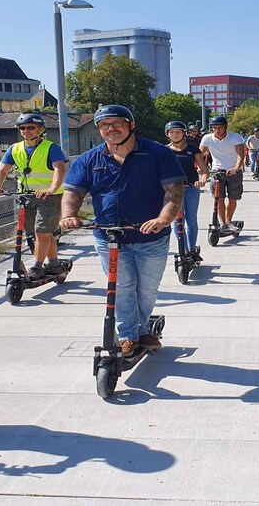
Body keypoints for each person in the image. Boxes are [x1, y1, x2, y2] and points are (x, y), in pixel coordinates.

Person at [60, 105, 186, 357]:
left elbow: (174, 190)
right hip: (109, 236)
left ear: (131, 125)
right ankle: (130, 336)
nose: (110, 129)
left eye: (117, 123)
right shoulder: (89, 159)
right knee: (122, 287)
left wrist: (163, 218)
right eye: (104, 125)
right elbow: (73, 191)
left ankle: (139, 328)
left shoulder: (158, 154)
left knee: (147, 289)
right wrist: (68, 215)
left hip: (151, 236)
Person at [0, 113, 68, 278]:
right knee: (38, 233)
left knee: (42, 233)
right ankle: (54, 265)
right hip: (25, 197)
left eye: (31, 127)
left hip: (48, 197)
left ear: (40, 129)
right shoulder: (15, 148)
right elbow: (2, 171)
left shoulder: (50, 147)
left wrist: (52, 189)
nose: (26, 131)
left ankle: (37, 267)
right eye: (23, 128)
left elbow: (59, 169)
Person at [165, 120, 208, 260]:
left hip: (191, 187)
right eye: (172, 132)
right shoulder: (164, 150)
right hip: (173, 190)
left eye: (178, 132)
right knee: (177, 221)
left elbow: (203, 169)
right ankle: (182, 247)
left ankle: (191, 249)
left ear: (184, 133)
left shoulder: (193, 149)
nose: (175, 135)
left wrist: (202, 180)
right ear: (167, 134)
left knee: (191, 219)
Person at [199, 115, 245, 232]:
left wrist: (236, 167)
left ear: (225, 127)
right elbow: (199, 154)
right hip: (217, 170)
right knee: (219, 198)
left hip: (233, 170)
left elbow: (240, 155)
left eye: (219, 128)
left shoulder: (235, 137)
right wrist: (200, 167)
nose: (216, 130)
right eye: (214, 128)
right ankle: (223, 223)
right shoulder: (207, 138)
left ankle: (229, 221)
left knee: (232, 197)